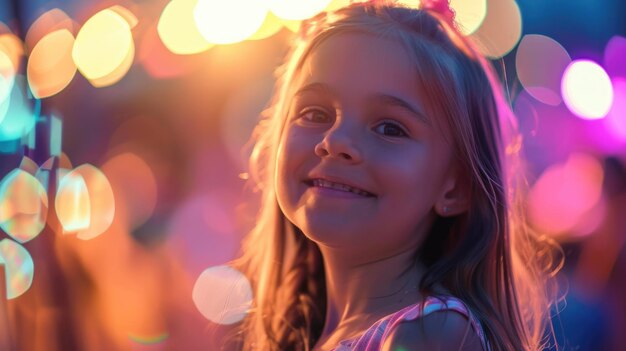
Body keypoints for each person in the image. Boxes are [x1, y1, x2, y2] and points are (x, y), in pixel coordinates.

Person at [229, 0, 561, 350]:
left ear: (457, 188)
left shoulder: (430, 334)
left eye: (389, 127)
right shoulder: (305, 335)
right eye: (314, 113)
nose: (335, 142)